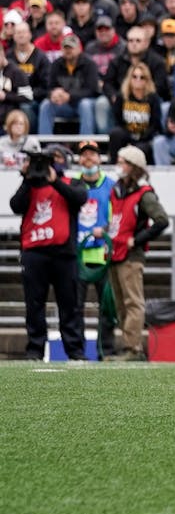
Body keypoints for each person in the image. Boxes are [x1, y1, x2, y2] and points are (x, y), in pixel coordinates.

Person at [12, 147, 88, 360]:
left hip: (64, 254)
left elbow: (79, 198)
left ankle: (75, 351)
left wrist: (54, 181)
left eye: (56, 159)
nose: (52, 163)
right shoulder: (31, 186)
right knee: (34, 304)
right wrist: (27, 178)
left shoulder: (71, 183)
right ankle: (35, 349)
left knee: (69, 305)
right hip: (34, 253)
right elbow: (15, 205)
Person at [106, 145, 168, 359]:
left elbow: (161, 220)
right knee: (120, 303)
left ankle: (133, 348)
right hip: (116, 251)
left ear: (133, 167)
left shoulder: (144, 194)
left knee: (133, 302)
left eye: (122, 162)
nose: (118, 166)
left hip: (131, 255)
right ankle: (127, 345)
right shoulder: (117, 189)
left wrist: (137, 240)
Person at [72, 139, 117, 359]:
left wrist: (106, 229)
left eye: (92, 154)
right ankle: (77, 352)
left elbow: (118, 217)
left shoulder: (111, 185)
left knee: (107, 308)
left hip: (103, 254)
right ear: (79, 159)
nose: (88, 158)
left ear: (99, 158)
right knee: (75, 308)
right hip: (77, 256)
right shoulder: (72, 184)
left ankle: (105, 351)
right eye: (84, 154)